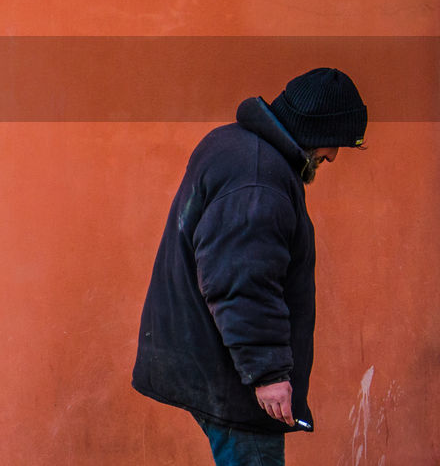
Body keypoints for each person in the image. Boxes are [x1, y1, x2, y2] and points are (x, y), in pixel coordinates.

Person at [132, 68, 367, 466]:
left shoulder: (234, 145)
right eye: (335, 144)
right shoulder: (260, 179)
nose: (333, 156)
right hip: (234, 380)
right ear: (318, 133)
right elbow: (242, 282)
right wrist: (269, 375)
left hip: (212, 360)